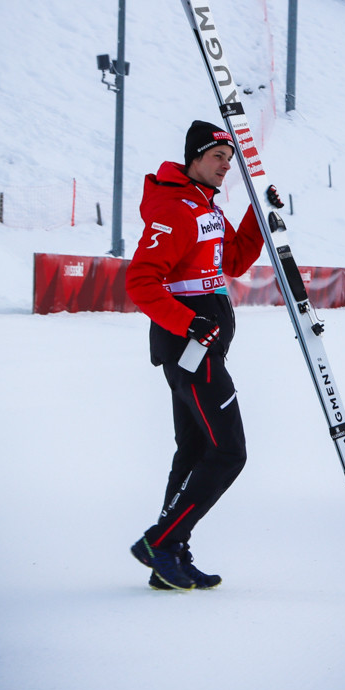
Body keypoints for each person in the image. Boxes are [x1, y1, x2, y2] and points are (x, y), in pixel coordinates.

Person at [126, 120, 278, 591]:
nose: (225, 166)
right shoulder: (176, 210)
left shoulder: (202, 205)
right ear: (194, 156)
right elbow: (140, 282)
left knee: (193, 451)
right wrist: (189, 323)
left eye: (229, 160)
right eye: (217, 157)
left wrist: (257, 214)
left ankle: (169, 555)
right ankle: (160, 542)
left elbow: (232, 261)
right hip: (192, 349)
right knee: (229, 451)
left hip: (203, 348)